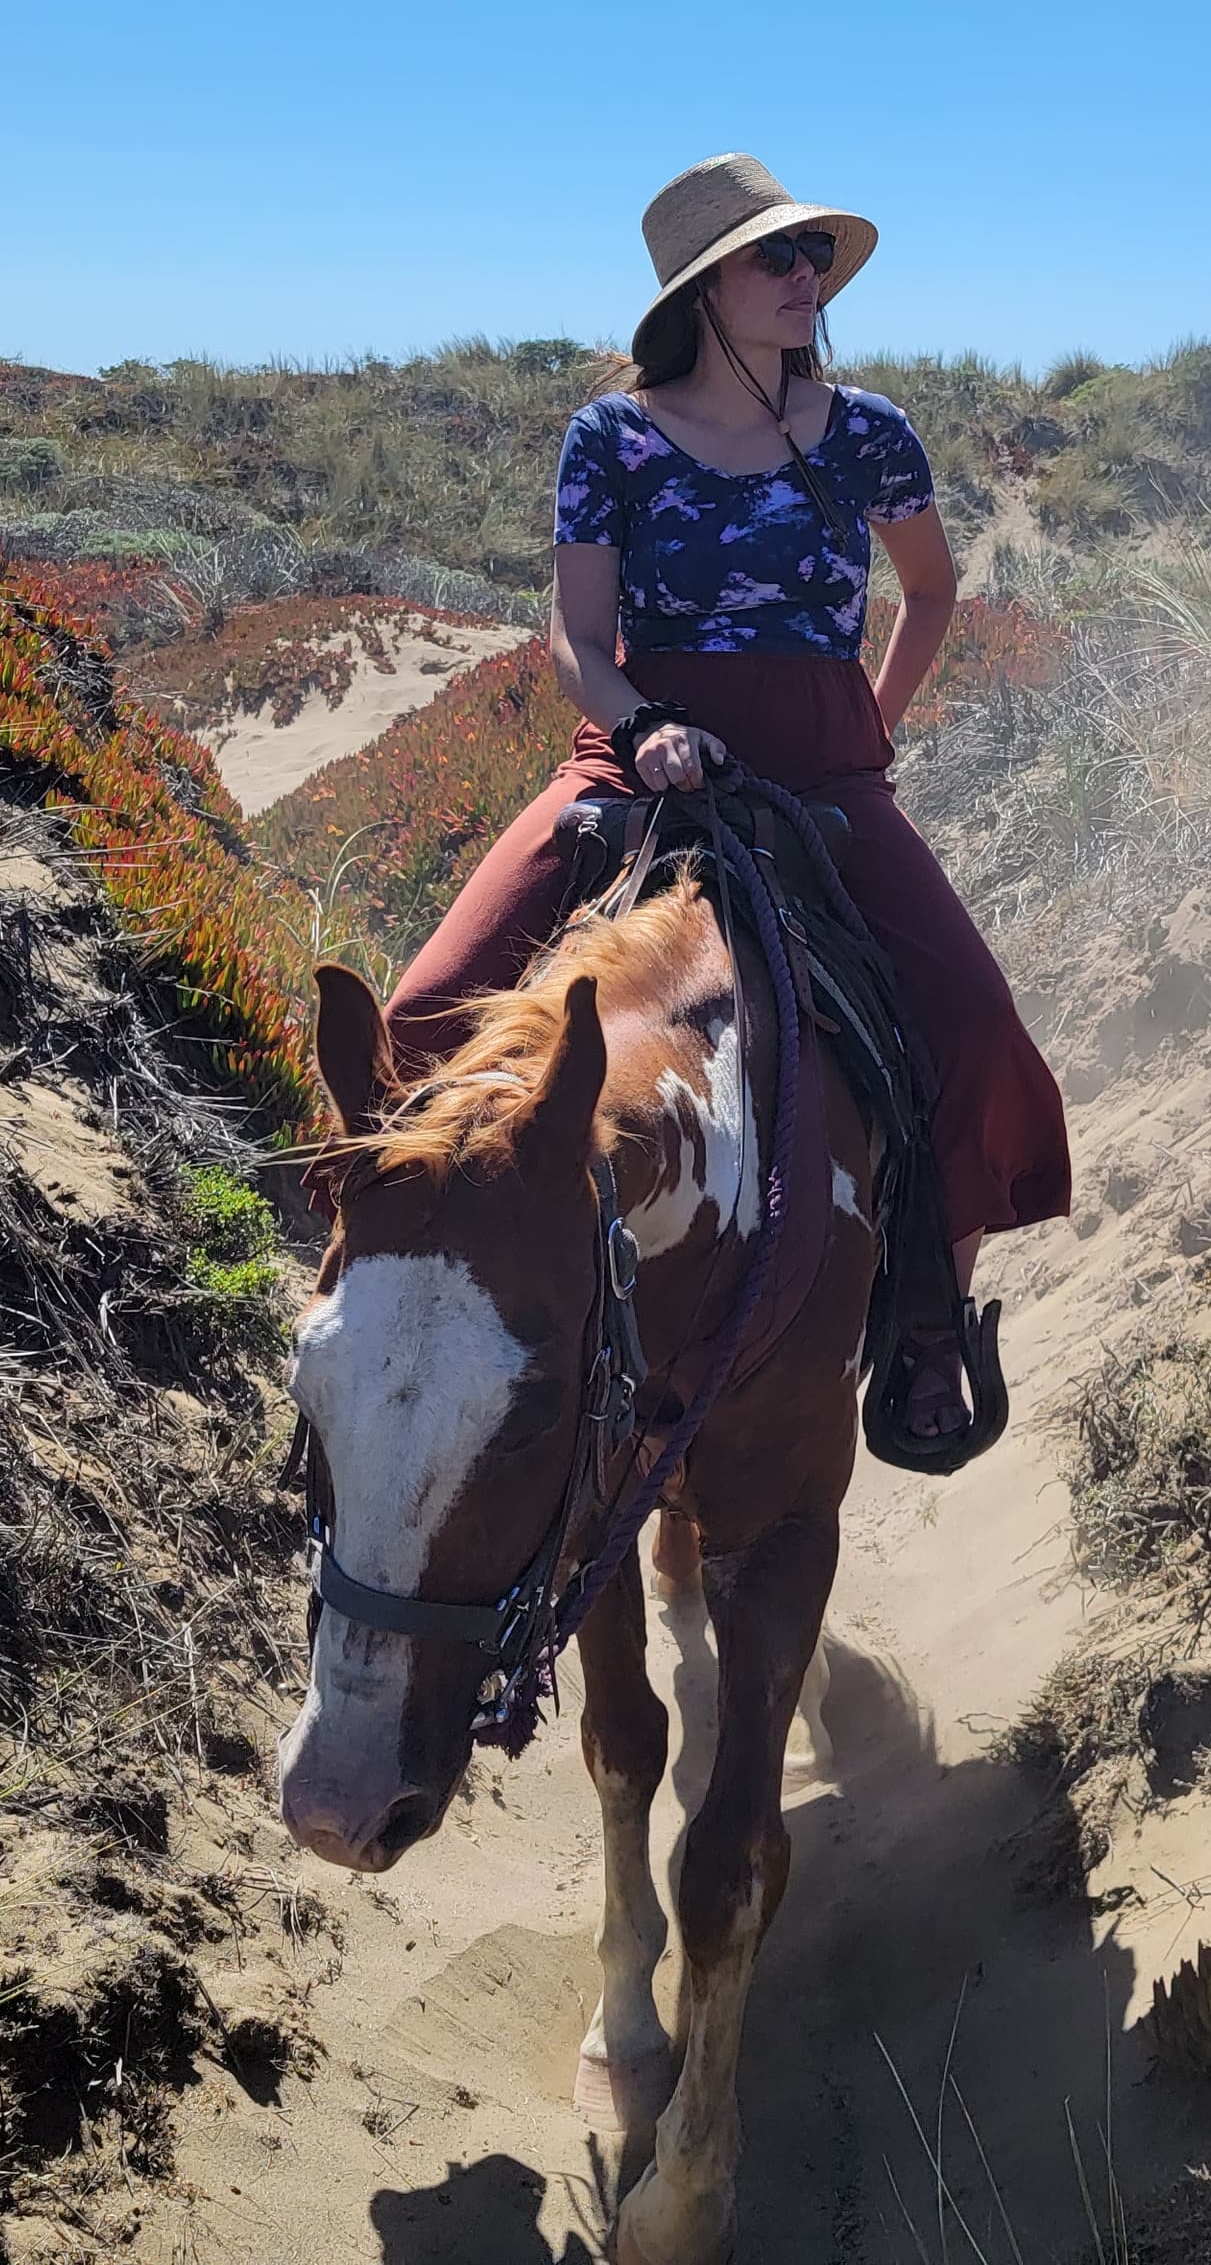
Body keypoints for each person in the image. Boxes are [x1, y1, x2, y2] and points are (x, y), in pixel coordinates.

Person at [384, 153, 1074, 1464]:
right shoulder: (613, 438)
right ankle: (404, 1312)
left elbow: (930, 590)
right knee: (421, 1014)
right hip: (638, 755)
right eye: (778, 257)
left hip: (822, 765)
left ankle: (926, 1320)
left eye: (815, 254)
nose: (808, 276)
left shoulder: (868, 432)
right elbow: (577, 635)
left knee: (977, 1028)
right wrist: (642, 728)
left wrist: (871, 723)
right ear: (704, 289)